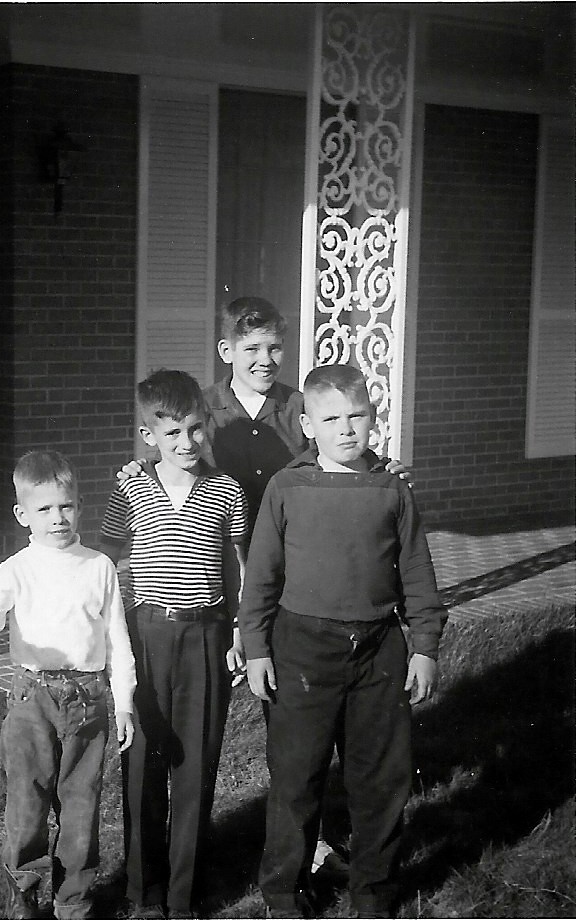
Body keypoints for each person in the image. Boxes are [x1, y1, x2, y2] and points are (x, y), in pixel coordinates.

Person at [119, 296, 410, 877]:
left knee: (303, 712)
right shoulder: (207, 410)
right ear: (228, 352)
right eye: (252, 348)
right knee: (285, 709)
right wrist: (133, 472)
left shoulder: (299, 408)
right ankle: (280, 835)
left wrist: (381, 467)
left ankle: (316, 838)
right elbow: (166, 455)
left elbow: (339, 447)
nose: (265, 359)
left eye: (275, 347)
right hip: (224, 566)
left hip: (297, 574)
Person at [238, 364, 447, 919]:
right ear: (308, 424)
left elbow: (417, 572)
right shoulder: (287, 487)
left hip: (378, 649)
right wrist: (256, 647)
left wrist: (423, 644)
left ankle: (373, 890)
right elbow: (261, 575)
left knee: (380, 778)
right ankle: (284, 890)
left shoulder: (391, 489)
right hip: (301, 650)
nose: (346, 429)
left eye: (357, 416)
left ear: (374, 419)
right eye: (331, 418)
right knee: (296, 777)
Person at [0, 450, 136, 920]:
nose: (58, 518)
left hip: (89, 700)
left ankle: (73, 899)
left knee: (80, 806)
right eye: (44, 509)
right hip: (32, 699)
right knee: (27, 801)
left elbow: (117, 640)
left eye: (67, 506)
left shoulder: (98, 567)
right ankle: (24, 892)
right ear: (22, 515)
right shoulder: (18, 568)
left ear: (79, 505)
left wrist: (125, 704)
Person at [99, 369, 250, 919]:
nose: (186, 444)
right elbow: (106, 562)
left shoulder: (227, 490)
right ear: (148, 436)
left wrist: (238, 630)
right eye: (172, 434)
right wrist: (112, 637)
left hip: (205, 636)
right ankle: (145, 892)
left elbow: (237, 571)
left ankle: (183, 894)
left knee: (196, 763)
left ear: (205, 426)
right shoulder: (131, 487)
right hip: (147, 636)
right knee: (141, 758)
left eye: (194, 430)